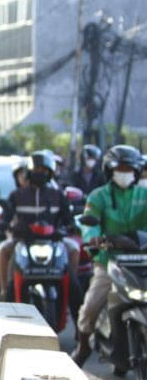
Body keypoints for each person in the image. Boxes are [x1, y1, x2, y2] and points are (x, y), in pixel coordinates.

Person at [72, 145, 147, 366]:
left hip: (141, 261)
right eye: (120, 168)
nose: (125, 173)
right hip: (109, 261)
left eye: (129, 169)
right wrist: (94, 238)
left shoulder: (144, 196)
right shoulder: (98, 196)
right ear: (110, 170)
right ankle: (83, 346)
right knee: (91, 305)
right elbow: (89, 223)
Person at [0, 149, 80, 300]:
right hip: (21, 242)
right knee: (2, 250)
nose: (39, 173)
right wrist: (1, 226)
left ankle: (71, 300)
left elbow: (68, 219)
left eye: (43, 170)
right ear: (28, 172)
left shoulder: (57, 195)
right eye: (35, 170)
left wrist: (72, 226)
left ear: (50, 173)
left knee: (74, 248)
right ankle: (4, 294)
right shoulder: (17, 195)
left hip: (54, 242)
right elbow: (6, 217)